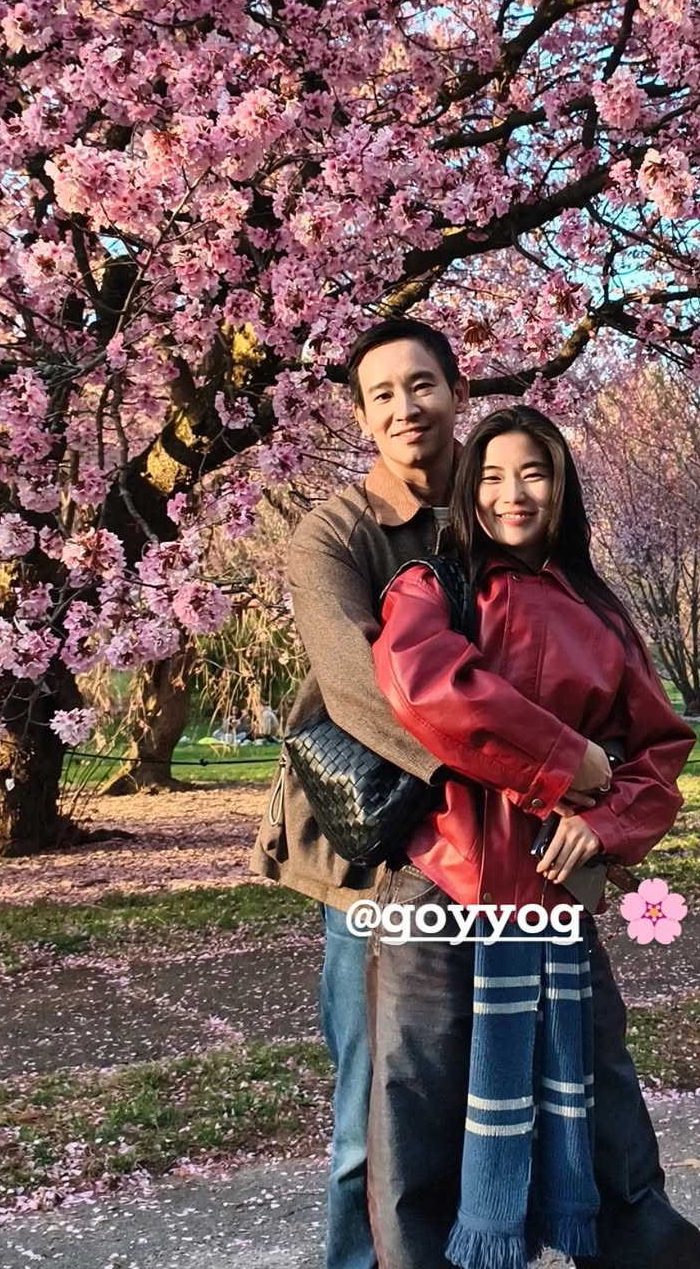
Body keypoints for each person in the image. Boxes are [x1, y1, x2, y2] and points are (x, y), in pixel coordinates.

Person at [365, 405, 700, 1269]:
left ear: (563, 487)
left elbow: (660, 750)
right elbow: (428, 691)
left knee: (608, 1126)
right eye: (489, 475)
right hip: (438, 890)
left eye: (534, 472)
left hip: (555, 902)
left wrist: (603, 822)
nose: (511, 493)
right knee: (418, 1134)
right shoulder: (431, 590)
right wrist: (567, 763)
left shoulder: (602, 613)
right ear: (466, 490)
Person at [251, 316, 468, 1269]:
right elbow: (353, 684)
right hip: (372, 853)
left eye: (421, 385)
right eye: (382, 395)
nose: (405, 407)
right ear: (363, 417)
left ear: (457, 392)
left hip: (498, 852)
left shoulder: (503, 504)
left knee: (488, 1096)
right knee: (372, 1113)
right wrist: (501, 775)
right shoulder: (334, 532)